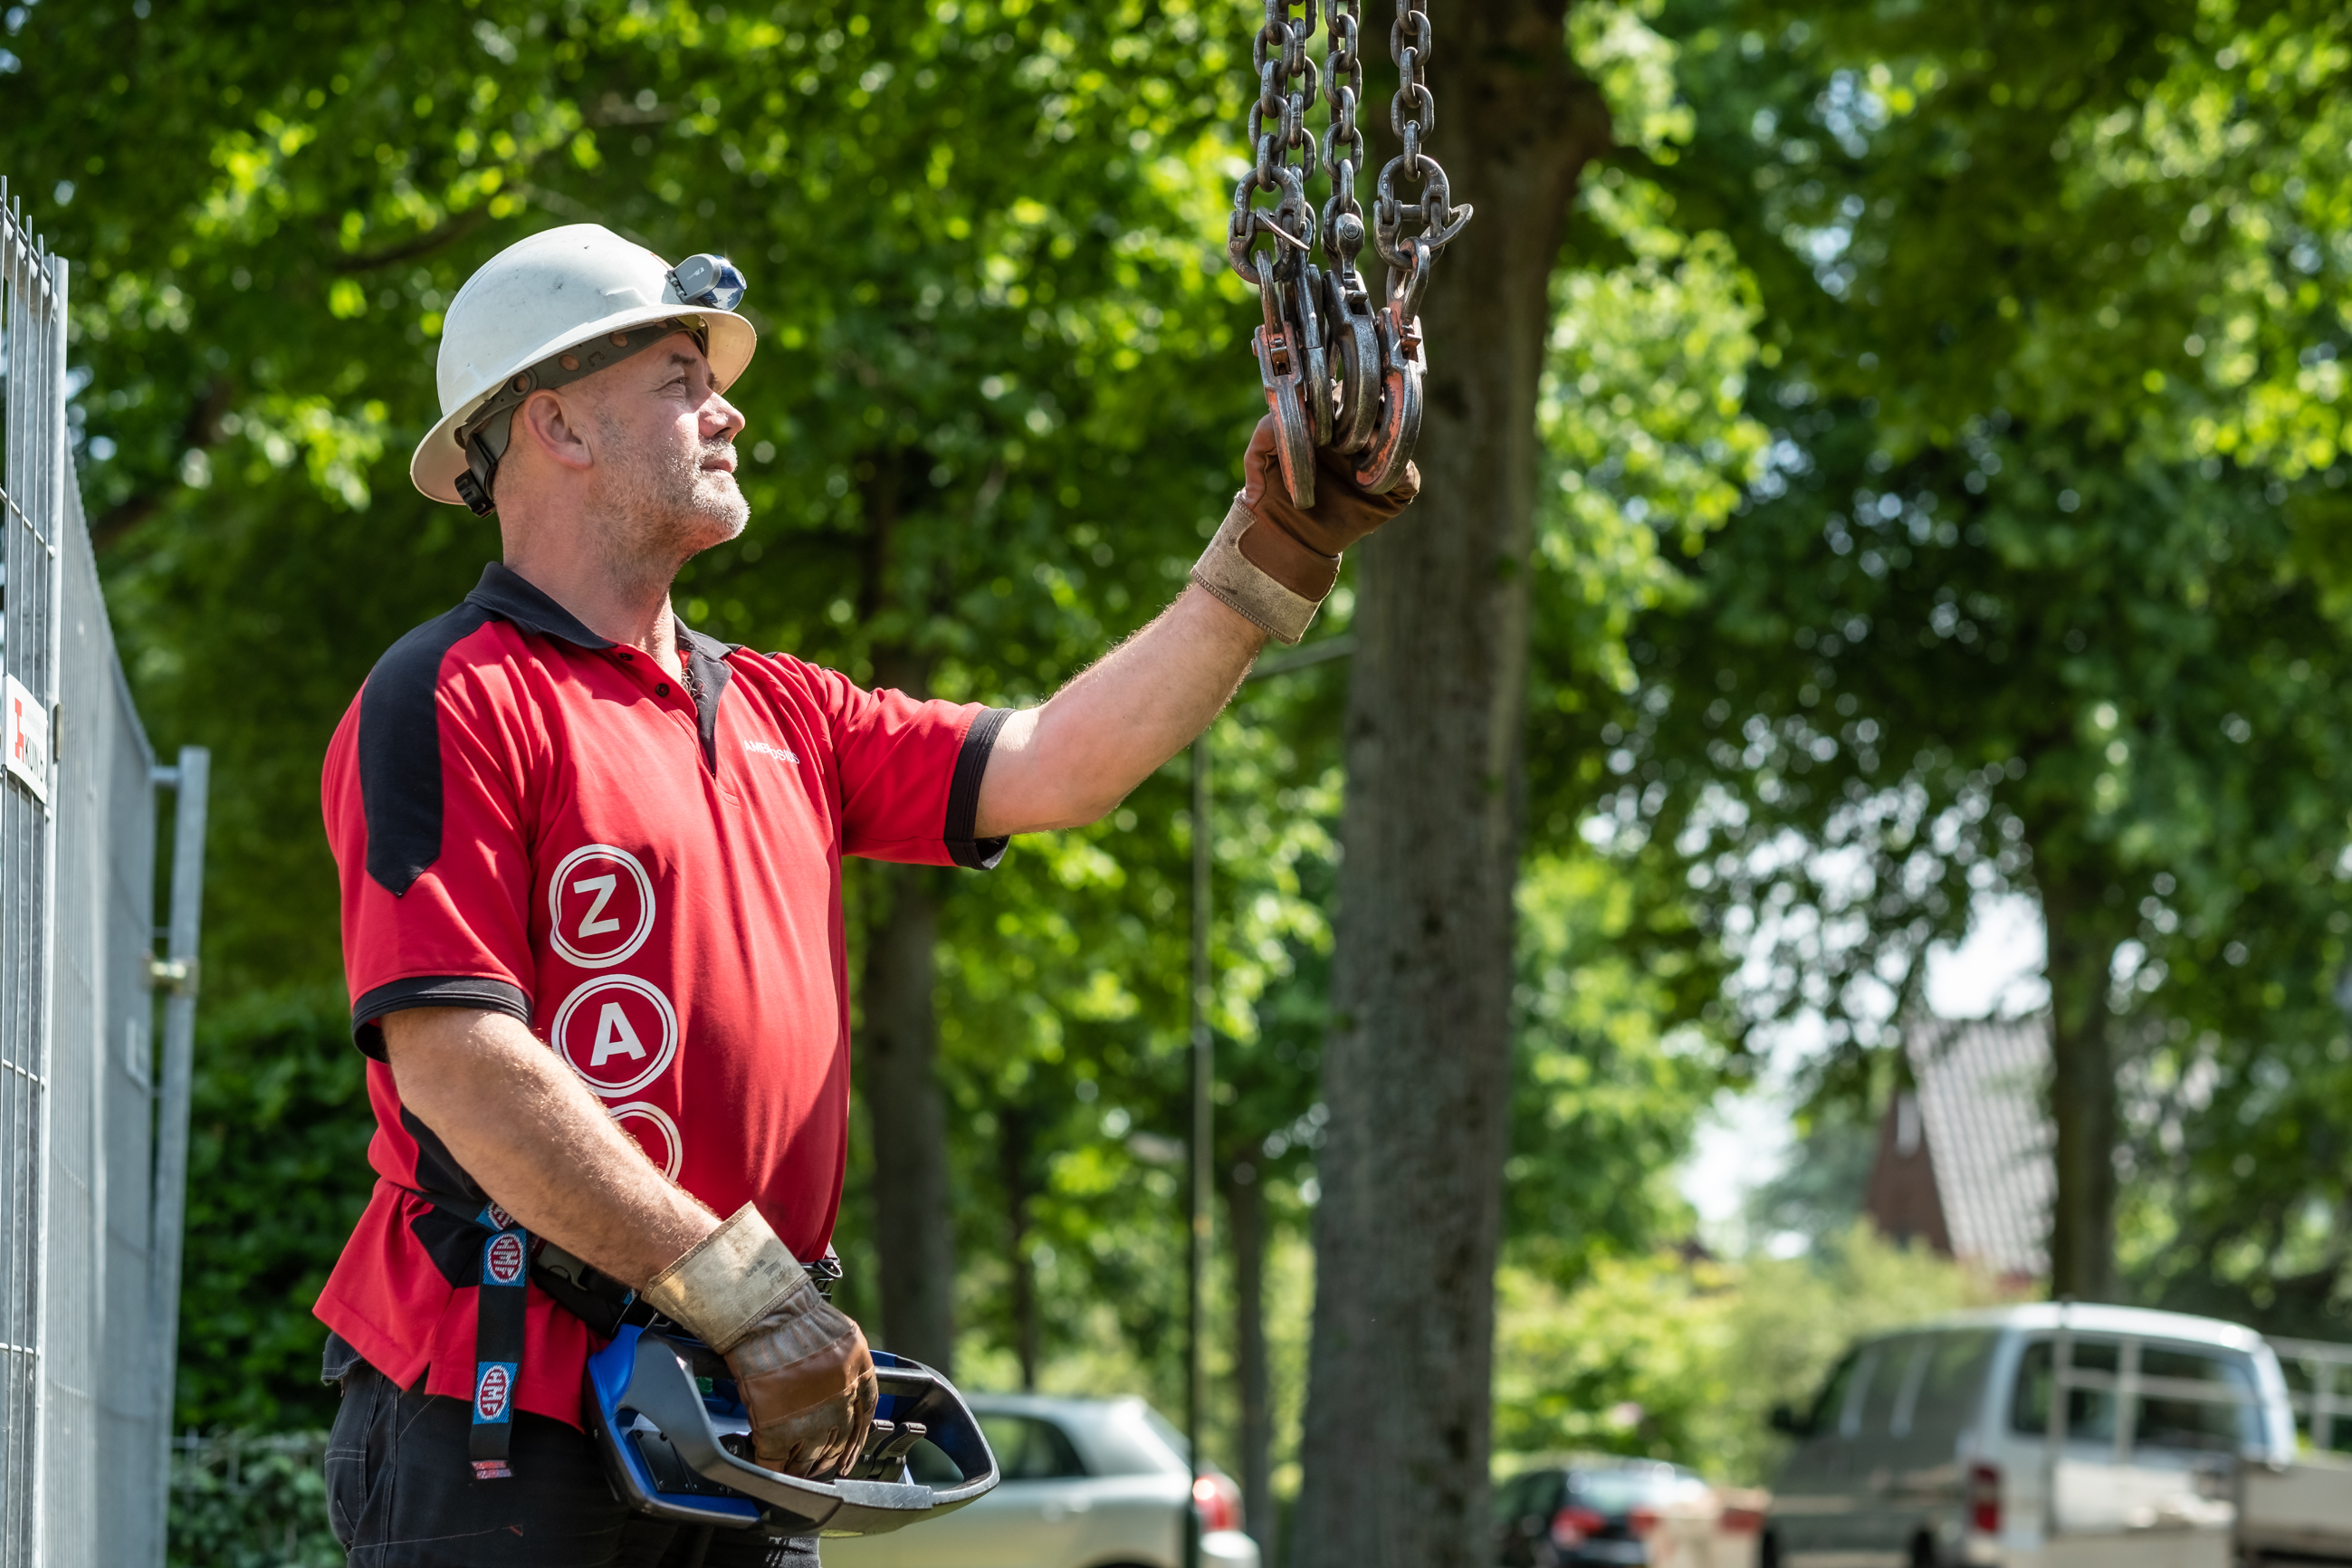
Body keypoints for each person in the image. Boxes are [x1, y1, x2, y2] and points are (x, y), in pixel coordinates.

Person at [314, 224, 1415, 1567]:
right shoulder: (451, 695)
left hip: (738, 1401)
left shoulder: (785, 707)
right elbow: (459, 1061)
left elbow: (1063, 764)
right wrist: (740, 1294)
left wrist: (1272, 552)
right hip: (507, 1407)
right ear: (556, 424)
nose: (726, 412)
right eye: (679, 377)